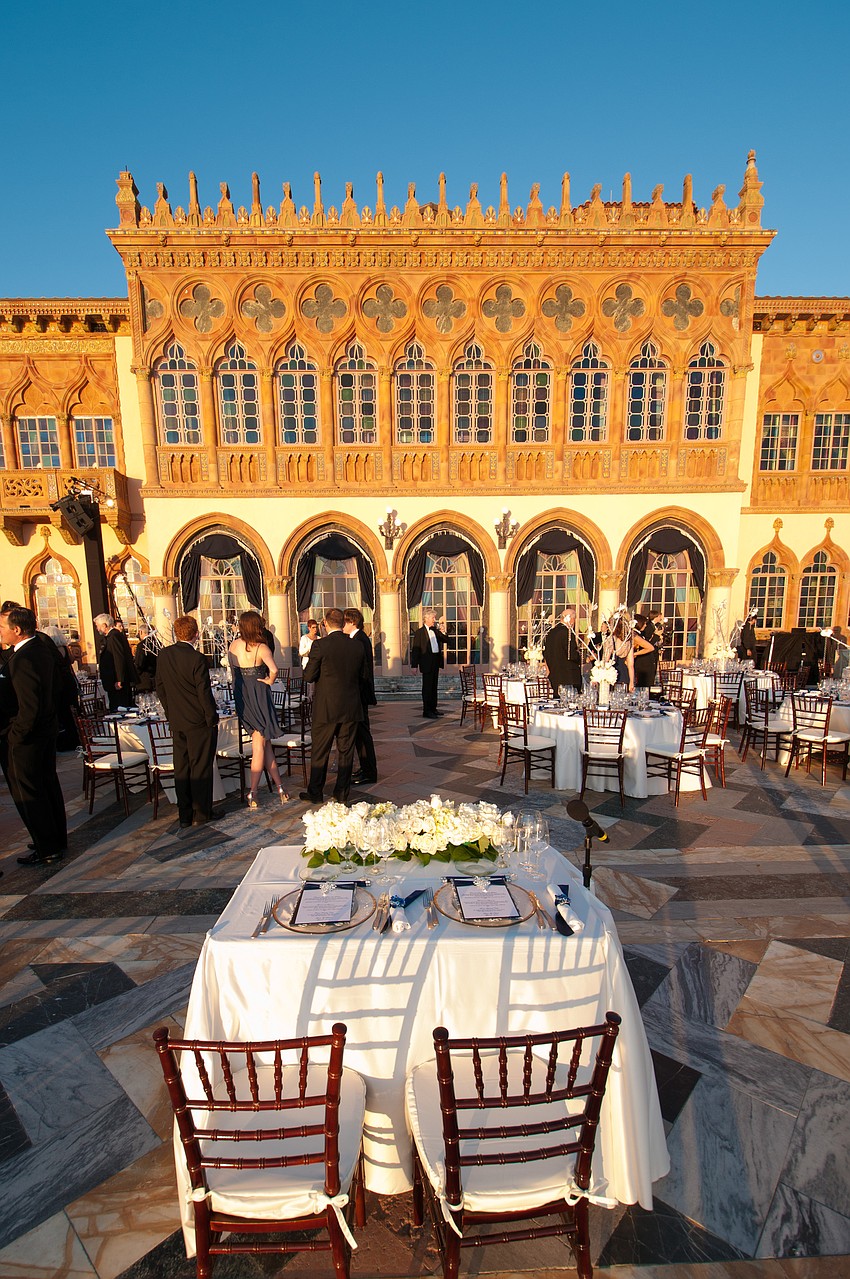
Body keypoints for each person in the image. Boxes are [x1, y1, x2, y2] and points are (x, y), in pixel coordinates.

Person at [0, 606, 67, 867]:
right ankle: (53, 837)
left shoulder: (25, 658)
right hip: (44, 732)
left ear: (17, 630)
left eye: (3, 628)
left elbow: (30, 706)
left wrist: (15, 736)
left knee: (30, 792)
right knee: (47, 786)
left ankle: (46, 846)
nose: (1, 632)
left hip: (28, 738)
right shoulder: (40, 649)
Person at [156, 615, 221, 831]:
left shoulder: (164, 655)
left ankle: (185, 814)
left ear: (176, 633)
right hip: (198, 721)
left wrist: (169, 711)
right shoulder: (197, 659)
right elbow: (204, 692)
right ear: (195, 634)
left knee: (181, 767)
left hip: (177, 720)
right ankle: (201, 813)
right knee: (200, 766)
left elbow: (160, 687)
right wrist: (212, 717)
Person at [300, 607, 365, 805]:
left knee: (320, 750)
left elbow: (308, 676)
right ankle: (342, 793)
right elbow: (363, 676)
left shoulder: (320, 645)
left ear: (326, 624)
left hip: (327, 707)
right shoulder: (357, 646)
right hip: (351, 706)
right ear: (343, 623)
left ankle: (315, 792)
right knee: (346, 751)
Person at [228, 610, 288, 811]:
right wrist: (269, 681)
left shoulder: (233, 646)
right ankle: (253, 791)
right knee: (259, 746)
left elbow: (233, 672)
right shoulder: (261, 647)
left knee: (264, 743)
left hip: (243, 696)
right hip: (259, 695)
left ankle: (280, 787)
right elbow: (274, 670)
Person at [344, 606, 378, 785]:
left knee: (363, 734)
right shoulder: (357, 638)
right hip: (359, 693)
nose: (343, 625)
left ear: (353, 622)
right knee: (359, 734)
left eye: (345, 622)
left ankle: (370, 772)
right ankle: (365, 768)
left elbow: (362, 670)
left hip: (360, 694)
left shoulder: (360, 640)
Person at [410, 608, 448, 719]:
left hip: (435, 662)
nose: (434, 620)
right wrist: (414, 666)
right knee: (427, 688)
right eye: (433, 618)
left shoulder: (435, 631)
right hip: (426, 664)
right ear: (426, 618)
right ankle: (426, 711)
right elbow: (416, 650)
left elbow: (446, 640)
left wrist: (443, 631)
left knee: (434, 687)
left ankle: (433, 708)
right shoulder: (419, 633)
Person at [94, 613, 136, 710]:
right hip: (114, 680)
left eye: (98, 626)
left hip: (116, 681)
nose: (97, 629)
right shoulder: (113, 636)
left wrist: (119, 679)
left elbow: (118, 658)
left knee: (119, 707)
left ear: (104, 625)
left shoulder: (113, 636)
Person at [543, 608, 582, 695]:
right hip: (568, 676)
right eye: (574, 619)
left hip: (555, 674)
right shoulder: (567, 633)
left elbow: (546, 653)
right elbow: (571, 654)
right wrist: (580, 657)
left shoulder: (551, 632)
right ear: (571, 619)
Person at [611, 612, 653, 692]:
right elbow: (630, 665)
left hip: (618, 671)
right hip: (622, 671)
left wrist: (635, 654)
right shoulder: (629, 637)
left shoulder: (630, 636)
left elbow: (650, 647)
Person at [632, 613, 658, 689]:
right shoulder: (635, 635)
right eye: (644, 624)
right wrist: (635, 653)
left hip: (647, 664)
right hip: (642, 665)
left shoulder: (640, 634)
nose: (646, 625)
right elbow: (650, 647)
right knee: (644, 688)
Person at [134, 624, 159, 693]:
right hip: (157, 678)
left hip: (144, 680)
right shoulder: (158, 644)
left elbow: (139, 663)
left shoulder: (142, 645)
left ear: (141, 632)